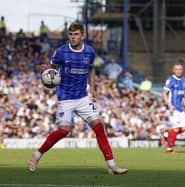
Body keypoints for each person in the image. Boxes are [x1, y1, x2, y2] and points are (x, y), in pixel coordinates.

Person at [28, 22, 128, 175]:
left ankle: (112, 165)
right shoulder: (61, 51)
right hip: (65, 98)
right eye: (70, 34)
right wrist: (45, 69)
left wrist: (92, 88)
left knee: (99, 127)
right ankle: (36, 156)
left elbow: (92, 69)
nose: (73, 37)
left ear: (82, 35)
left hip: (82, 97)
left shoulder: (89, 52)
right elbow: (51, 69)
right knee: (63, 131)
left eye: (76, 35)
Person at [161, 62, 185, 154]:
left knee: (184, 128)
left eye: (180, 69)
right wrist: (169, 105)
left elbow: (184, 90)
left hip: (180, 108)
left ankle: (166, 133)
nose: (178, 71)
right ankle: (169, 149)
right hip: (173, 108)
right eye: (176, 69)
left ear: (182, 70)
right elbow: (164, 93)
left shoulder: (184, 79)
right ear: (173, 70)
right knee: (176, 128)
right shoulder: (171, 80)